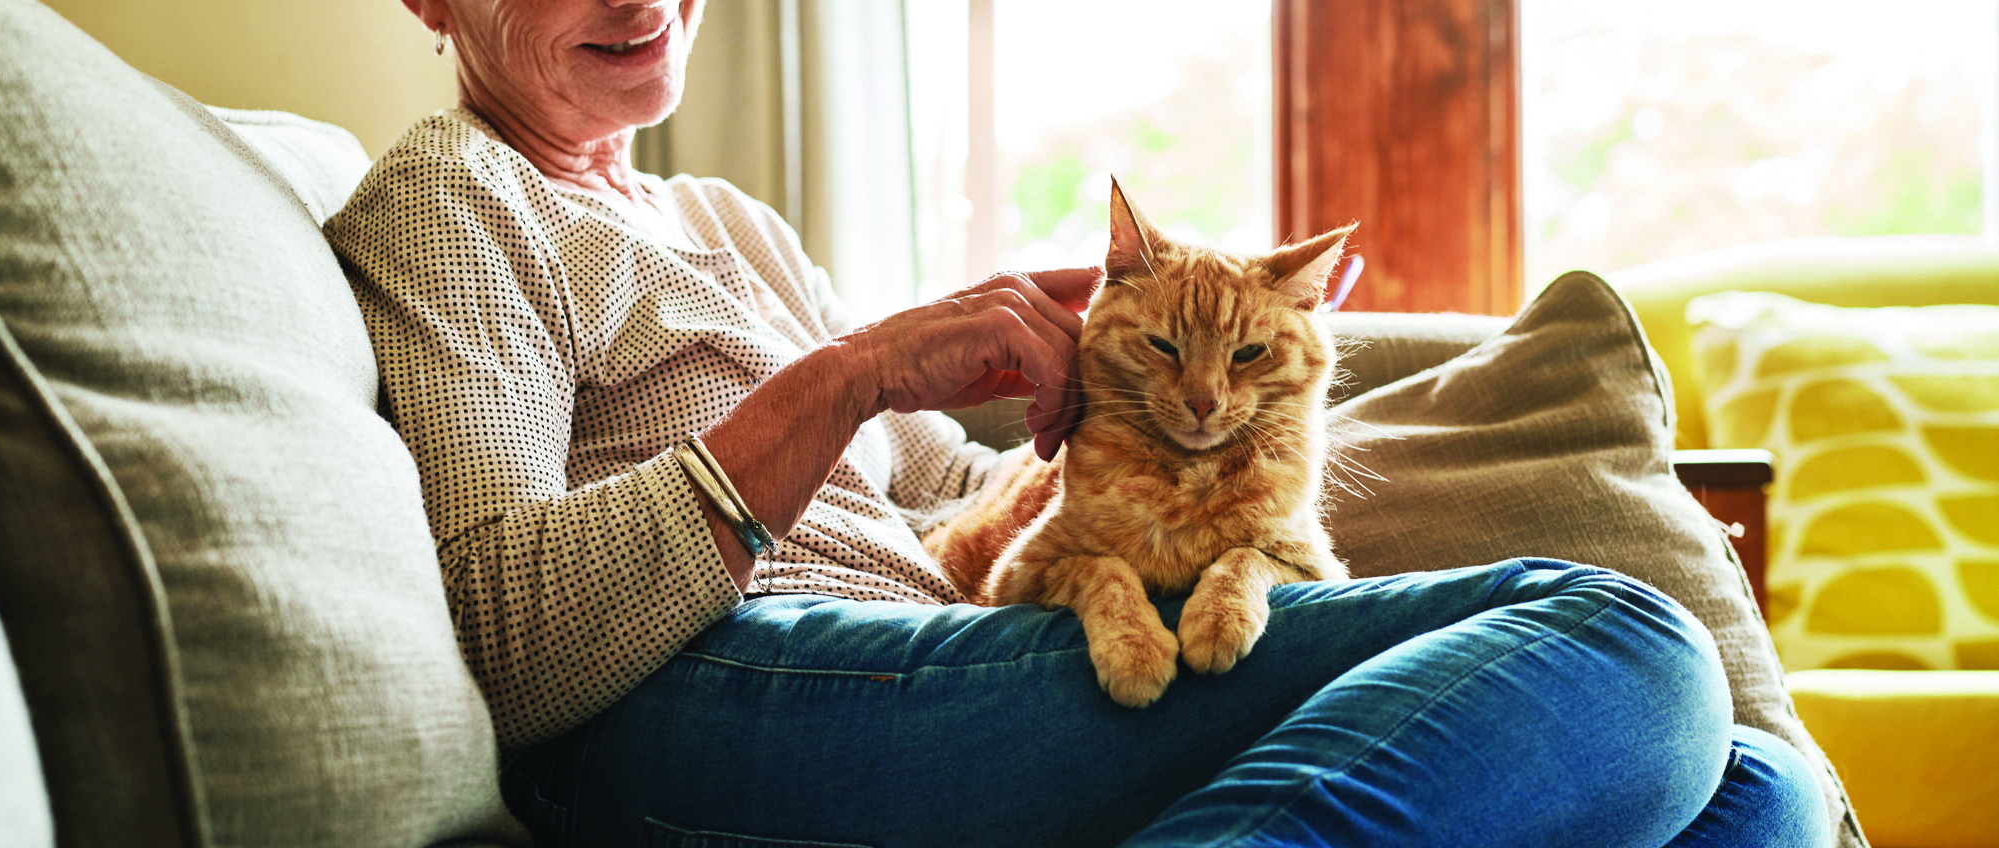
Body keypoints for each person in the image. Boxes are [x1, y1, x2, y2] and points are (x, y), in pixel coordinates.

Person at [323, 0, 1832, 845]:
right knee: (1627, 647)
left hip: (948, 658)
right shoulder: (453, 199)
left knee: (1751, 797)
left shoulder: (726, 219)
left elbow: (957, 490)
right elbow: (512, 641)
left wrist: (1119, 395)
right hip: (709, 700)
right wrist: (852, 371)